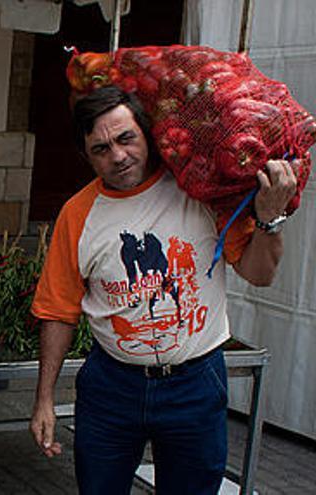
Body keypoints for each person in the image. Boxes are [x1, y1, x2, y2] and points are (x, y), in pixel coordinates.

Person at [28, 86, 297, 494]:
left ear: (147, 134)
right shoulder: (78, 214)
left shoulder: (199, 193)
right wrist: (44, 397)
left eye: (126, 139)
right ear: (86, 156)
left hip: (195, 382)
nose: (117, 156)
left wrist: (268, 218)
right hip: (111, 386)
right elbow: (58, 311)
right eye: (100, 148)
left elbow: (259, 274)